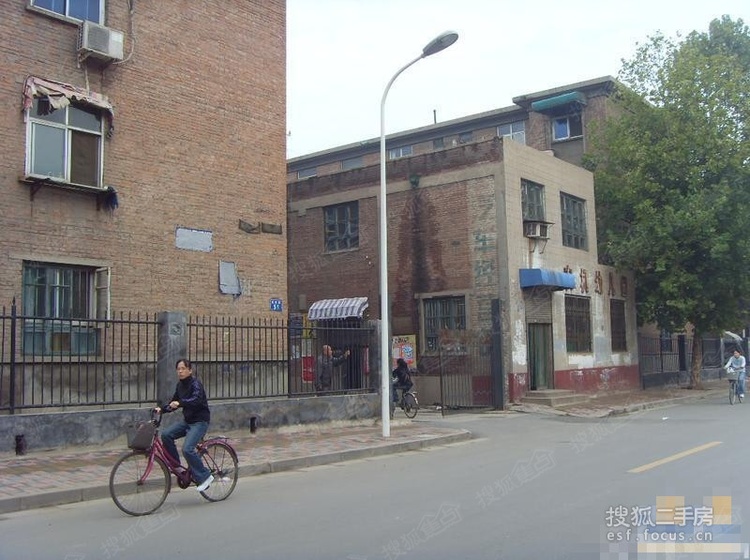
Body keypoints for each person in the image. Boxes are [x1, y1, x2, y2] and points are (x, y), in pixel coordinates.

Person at [156, 358, 213, 492]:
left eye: (183, 369)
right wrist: (161, 409)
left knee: (187, 449)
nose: (180, 371)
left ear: (190, 370)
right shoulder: (180, 386)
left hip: (200, 422)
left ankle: (205, 476)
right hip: (188, 421)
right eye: (178, 369)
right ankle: (177, 467)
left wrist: (181, 403)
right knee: (166, 435)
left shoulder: (196, 384)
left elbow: (196, 399)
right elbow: (173, 403)